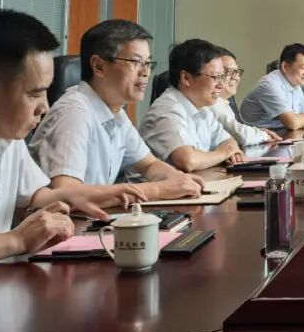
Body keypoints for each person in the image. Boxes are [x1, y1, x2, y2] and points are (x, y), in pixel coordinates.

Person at [0, 10, 141, 275]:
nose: (45, 106)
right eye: (35, 94)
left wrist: (75, 195)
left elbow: (31, 194)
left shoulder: (2, 124)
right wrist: (17, 241)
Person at [29, 20, 204, 200]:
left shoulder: (115, 112)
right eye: (136, 62)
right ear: (99, 66)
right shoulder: (74, 112)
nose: (146, 72)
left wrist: (179, 179)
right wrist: (157, 190)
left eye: (148, 63)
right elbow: (67, 192)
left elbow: (150, 165)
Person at [139, 39, 245, 172]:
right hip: (154, 185)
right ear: (186, 78)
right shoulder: (167, 110)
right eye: (215, 77)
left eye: (222, 77)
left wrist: (228, 151)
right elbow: (188, 161)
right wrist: (224, 153)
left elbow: (229, 142)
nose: (221, 85)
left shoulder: (202, 109)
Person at [210, 49, 280, 147]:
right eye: (229, 72)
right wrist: (264, 135)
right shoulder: (212, 102)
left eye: (236, 72)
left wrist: (258, 132)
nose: (236, 77)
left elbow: (237, 131)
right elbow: (241, 135)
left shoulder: (224, 102)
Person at [240, 43, 304, 130]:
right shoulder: (270, 84)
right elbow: (293, 123)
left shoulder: (295, 84)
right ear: (285, 66)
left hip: (281, 133)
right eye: (303, 68)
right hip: (259, 136)